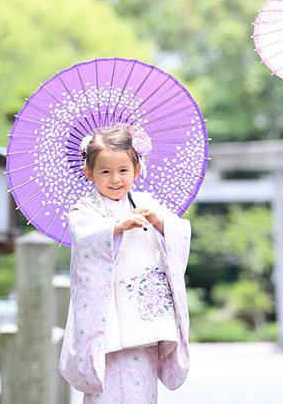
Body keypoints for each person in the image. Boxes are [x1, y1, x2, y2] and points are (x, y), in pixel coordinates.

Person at [59, 124, 192, 404]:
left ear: (137, 170)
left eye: (123, 170)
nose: (115, 179)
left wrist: (160, 223)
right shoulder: (84, 210)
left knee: (141, 391)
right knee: (104, 392)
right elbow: (85, 242)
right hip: (103, 326)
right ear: (89, 172)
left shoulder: (146, 204)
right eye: (105, 171)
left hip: (143, 322)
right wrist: (116, 227)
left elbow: (180, 234)